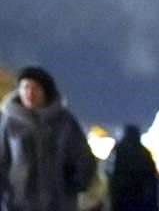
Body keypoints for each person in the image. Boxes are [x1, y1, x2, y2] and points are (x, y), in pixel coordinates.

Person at [0, 66, 97, 211]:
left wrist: (78, 182)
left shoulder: (64, 121)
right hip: (19, 204)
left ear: (46, 91)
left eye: (35, 88)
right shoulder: (10, 123)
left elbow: (83, 157)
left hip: (59, 203)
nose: (29, 93)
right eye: (25, 88)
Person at [104, 125, 156, 211]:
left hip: (120, 196)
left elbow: (109, 171)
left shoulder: (118, 150)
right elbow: (151, 176)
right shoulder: (144, 153)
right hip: (139, 196)